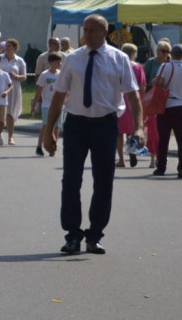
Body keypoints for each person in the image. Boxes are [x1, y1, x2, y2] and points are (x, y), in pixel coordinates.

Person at [43, 14, 143, 255]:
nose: (86, 34)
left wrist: (139, 127)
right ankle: (73, 235)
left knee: (103, 181)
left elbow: (133, 96)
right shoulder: (73, 58)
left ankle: (94, 235)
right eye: (84, 30)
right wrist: (49, 131)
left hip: (105, 125)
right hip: (76, 125)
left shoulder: (119, 59)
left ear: (104, 33)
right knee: (71, 180)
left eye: (91, 30)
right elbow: (59, 96)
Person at [150, 43, 182, 177]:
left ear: (171, 54)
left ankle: (161, 167)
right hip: (181, 106)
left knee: (163, 139)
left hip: (167, 106)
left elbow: (157, 83)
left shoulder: (165, 66)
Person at [116, 43, 146, 168]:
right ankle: (132, 151)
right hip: (133, 100)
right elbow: (142, 86)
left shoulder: (118, 66)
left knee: (119, 133)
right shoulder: (138, 67)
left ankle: (121, 159)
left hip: (120, 100)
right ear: (134, 53)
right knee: (132, 129)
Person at [142, 39, 169, 169]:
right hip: (153, 100)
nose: (166, 53)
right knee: (153, 130)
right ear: (157, 51)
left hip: (167, 100)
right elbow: (144, 80)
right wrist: (153, 83)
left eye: (168, 51)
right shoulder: (151, 62)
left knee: (163, 131)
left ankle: (160, 156)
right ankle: (153, 158)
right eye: (163, 51)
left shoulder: (170, 64)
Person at [32, 53, 63, 156]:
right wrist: (34, 106)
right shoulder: (44, 75)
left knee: (57, 127)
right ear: (50, 62)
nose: (59, 64)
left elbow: (65, 90)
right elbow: (39, 91)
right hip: (47, 104)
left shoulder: (61, 74)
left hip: (58, 105)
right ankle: (39, 146)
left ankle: (53, 147)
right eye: (57, 62)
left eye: (60, 62)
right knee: (46, 126)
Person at [0, 38, 27, 145]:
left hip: (13, 89)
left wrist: (16, 76)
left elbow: (24, 76)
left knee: (10, 113)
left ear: (15, 48)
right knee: (0, 112)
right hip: (0, 88)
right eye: (6, 45)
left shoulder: (19, 61)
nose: (6, 48)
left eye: (9, 46)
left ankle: (10, 137)